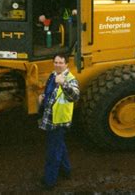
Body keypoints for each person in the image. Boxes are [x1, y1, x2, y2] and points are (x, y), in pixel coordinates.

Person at [37, 54, 80, 189]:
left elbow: (75, 96)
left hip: (59, 121)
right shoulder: (53, 75)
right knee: (59, 146)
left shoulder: (69, 79)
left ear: (67, 64)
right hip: (51, 119)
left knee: (53, 153)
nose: (58, 65)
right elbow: (50, 93)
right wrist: (43, 98)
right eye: (56, 62)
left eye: (61, 63)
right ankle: (66, 171)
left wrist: (63, 84)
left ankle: (49, 182)